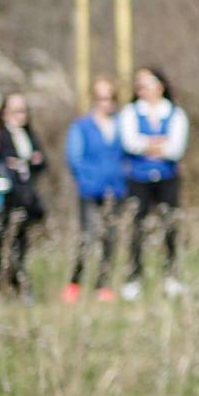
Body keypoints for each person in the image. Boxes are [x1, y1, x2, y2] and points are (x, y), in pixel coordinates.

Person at [118, 66, 187, 300]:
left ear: (160, 85)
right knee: (137, 228)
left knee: (169, 226)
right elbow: (130, 143)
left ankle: (171, 276)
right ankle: (134, 278)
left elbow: (176, 148)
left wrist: (148, 145)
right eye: (139, 85)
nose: (143, 89)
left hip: (167, 178)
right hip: (138, 178)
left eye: (147, 84)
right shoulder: (130, 112)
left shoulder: (175, 113)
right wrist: (157, 145)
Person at [64, 76, 128, 302]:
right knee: (87, 237)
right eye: (101, 98)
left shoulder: (122, 124)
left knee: (110, 238)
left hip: (116, 189)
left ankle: (103, 285)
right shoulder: (82, 126)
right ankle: (75, 282)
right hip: (90, 189)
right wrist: (86, 180)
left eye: (110, 98)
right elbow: (74, 157)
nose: (105, 103)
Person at [0, 92, 47, 296]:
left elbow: (41, 161)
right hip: (7, 196)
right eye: (16, 110)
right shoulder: (0, 133)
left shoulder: (28, 134)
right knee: (5, 241)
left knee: (21, 243)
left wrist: (34, 162)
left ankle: (19, 283)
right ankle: (4, 283)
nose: (20, 115)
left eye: (23, 110)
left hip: (26, 196)